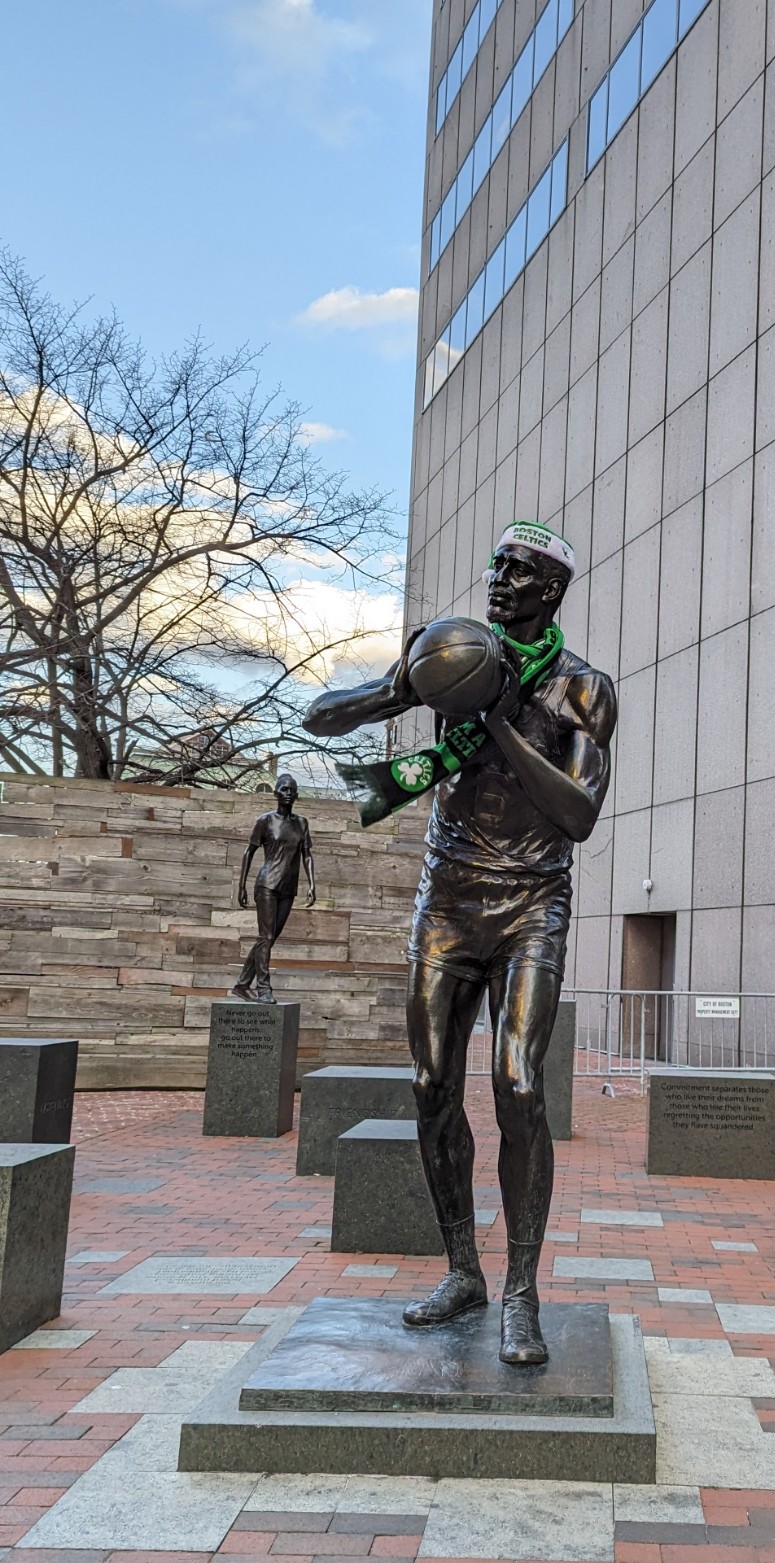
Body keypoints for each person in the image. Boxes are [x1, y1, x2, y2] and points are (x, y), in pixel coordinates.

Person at [303, 521, 617, 1365]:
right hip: (447, 900)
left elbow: (579, 814)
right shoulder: (448, 654)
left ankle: (522, 1290)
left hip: (531, 901)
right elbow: (320, 718)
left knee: (517, 1083)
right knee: (432, 1083)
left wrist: (497, 722)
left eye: (517, 571)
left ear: (551, 589)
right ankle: (463, 1271)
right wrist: (399, 691)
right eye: (497, 565)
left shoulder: (581, 688)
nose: (499, 579)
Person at [231, 773, 315, 1003]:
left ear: (296, 795)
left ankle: (241, 984)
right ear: (276, 793)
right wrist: (242, 886)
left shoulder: (301, 823)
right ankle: (264, 988)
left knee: (267, 938)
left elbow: (307, 855)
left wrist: (312, 884)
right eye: (284, 789)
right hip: (267, 884)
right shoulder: (265, 821)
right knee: (266, 936)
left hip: (288, 887)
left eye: (292, 790)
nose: (288, 793)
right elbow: (249, 852)